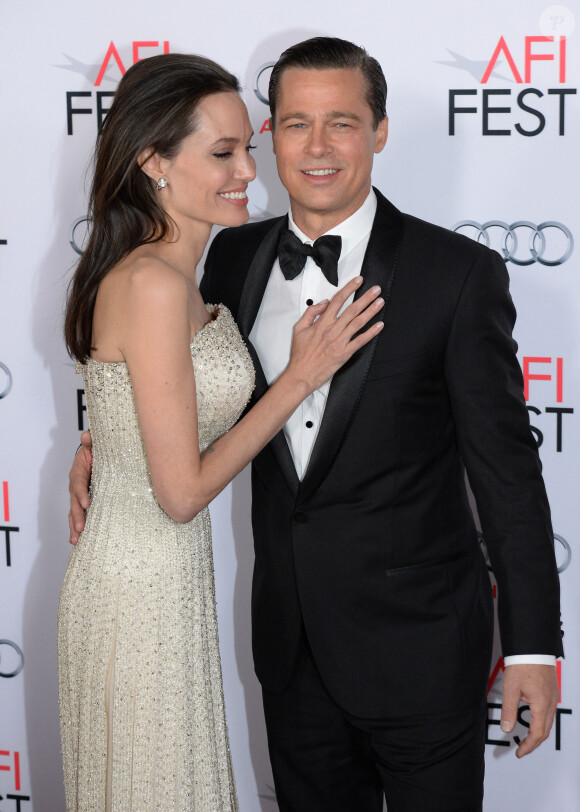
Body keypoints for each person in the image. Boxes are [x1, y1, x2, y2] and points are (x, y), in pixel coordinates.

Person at [69, 39, 563, 811]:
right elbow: (169, 376)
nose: (318, 146)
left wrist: (534, 645)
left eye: (342, 122)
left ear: (381, 130)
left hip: (424, 653)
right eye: (296, 124)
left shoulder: (456, 275)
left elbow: (507, 474)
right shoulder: (227, 257)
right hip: (292, 654)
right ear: (273, 135)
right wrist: (105, 441)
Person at [59, 52, 383, 812]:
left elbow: (143, 396)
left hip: (166, 582)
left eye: (249, 143)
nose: (251, 169)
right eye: (222, 153)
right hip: (137, 588)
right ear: (153, 162)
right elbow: (181, 494)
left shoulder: (185, 274)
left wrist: (95, 438)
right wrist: (301, 377)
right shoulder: (152, 284)